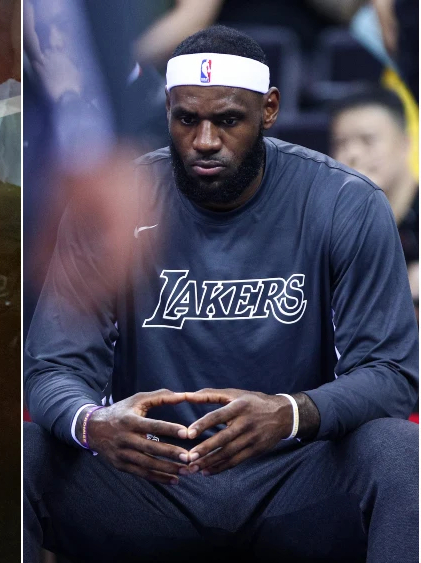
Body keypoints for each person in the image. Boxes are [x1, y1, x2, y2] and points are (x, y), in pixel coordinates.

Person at [24, 25, 418, 563]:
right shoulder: (115, 203)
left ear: (270, 110)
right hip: (151, 481)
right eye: (188, 120)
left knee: (400, 452)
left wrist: (291, 413)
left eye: (228, 120)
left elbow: (393, 375)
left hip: (292, 478)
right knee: (23, 454)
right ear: (168, 111)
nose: (205, 140)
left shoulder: (344, 202)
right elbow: (52, 367)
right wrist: (93, 424)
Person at [330, 87, 419, 266]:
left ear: (404, 144)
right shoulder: (334, 223)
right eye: (341, 143)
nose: (353, 154)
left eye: (368, 140)